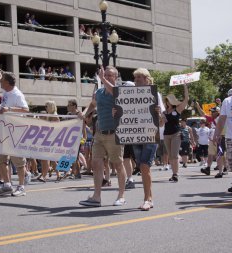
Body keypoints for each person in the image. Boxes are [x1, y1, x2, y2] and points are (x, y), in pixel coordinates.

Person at [79, 65, 127, 207]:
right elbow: (93, 104)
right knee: (96, 163)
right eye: (105, 74)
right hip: (99, 133)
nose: (107, 76)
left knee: (118, 164)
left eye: (110, 75)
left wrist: (102, 79)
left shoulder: (118, 91)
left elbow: (112, 89)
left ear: (116, 78)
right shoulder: (99, 92)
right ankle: (97, 196)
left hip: (115, 133)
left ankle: (121, 196)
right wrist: (85, 112)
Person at [0, 60, 30, 197]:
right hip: (3, 130)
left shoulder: (17, 94)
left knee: (18, 161)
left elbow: (26, 109)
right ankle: (7, 185)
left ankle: (21, 186)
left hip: (15, 131)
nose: (0, 82)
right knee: (0, 158)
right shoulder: (6, 89)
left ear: (7, 83)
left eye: (3, 81)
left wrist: (8, 109)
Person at [130, 68, 165, 210]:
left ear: (147, 79)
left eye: (140, 77)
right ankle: (149, 199)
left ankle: (147, 199)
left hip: (150, 134)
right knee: (143, 167)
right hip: (135, 134)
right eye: (135, 77)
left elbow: (162, 121)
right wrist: (117, 112)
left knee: (145, 165)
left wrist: (159, 113)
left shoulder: (155, 94)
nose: (137, 79)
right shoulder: (129, 95)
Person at [163, 86, 189, 182]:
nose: (167, 102)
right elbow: (161, 123)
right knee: (170, 156)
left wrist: (185, 87)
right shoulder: (163, 112)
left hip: (176, 134)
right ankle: (173, 173)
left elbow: (186, 99)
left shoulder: (177, 110)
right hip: (166, 135)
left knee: (174, 155)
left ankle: (176, 174)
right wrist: (160, 117)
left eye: (168, 100)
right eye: (166, 101)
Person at [38, 101, 61, 182]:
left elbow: (57, 128)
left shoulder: (55, 116)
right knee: (51, 158)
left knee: (46, 157)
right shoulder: (50, 115)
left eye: (46, 106)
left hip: (52, 139)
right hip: (48, 138)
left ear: (51, 106)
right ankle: (58, 174)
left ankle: (44, 176)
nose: (45, 108)